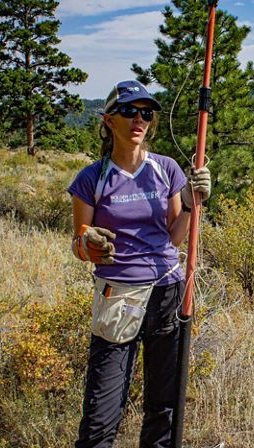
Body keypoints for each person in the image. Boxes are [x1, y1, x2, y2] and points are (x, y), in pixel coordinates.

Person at [67, 80, 211, 448]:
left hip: (167, 291)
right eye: (130, 111)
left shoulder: (166, 170)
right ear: (109, 119)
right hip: (118, 298)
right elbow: (79, 244)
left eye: (146, 113)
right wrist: (89, 244)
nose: (139, 120)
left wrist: (194, 203)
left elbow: (175, 237)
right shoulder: (91, 179)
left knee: (164, 404)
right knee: (102, 409)